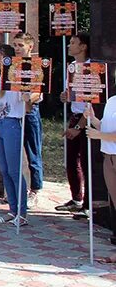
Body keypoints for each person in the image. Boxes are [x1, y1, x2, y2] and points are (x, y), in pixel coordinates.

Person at [0, 45, 28, 225]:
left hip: (12, 123)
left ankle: (22, 212)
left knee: (14, 170)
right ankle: (12, 209)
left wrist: (27, 98)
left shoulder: (16, 79)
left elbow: (27, 105)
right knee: (4, 170)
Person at [57, 33, 96, 217]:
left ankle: (88, 205)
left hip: (86, 118)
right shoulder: (71, 67)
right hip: (74, 114)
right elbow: (72, 94)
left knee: (86, 161)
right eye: (69, 42)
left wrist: (79, 127)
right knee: (71, 161)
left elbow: (91, 100)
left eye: (73, 43)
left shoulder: (92, 68)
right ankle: (76, 198)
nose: (69, 46)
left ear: (83, 47)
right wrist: (66, 96)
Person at [12, 33, 44, 206]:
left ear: (30, 47)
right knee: (14, 152)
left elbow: (39, 90)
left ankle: (35, 190)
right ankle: (16, 188)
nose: (17, 49)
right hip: (13, 111)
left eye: (20, 45)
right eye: (15, 45)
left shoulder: (37, 66)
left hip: (30, 111)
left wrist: (28, 98)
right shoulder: (11, 65)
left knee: (33, 152)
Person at [83, 98, 116, 255]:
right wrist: (93, 118)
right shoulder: (111, 101)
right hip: (108, 158)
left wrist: (99, 135)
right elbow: (104, 126)